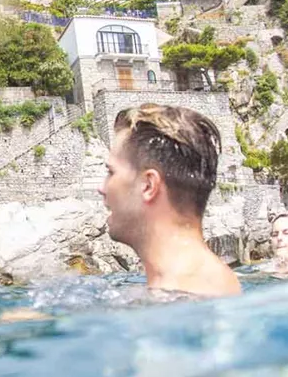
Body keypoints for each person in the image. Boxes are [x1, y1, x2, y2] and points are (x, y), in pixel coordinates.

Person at [98, 103, 242, 297]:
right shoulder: (191, 285)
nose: (101, 188)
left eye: (111, 172)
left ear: (148, 185)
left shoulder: (190, 292)